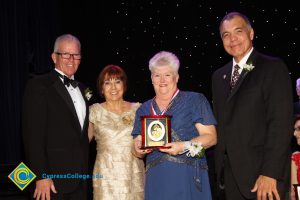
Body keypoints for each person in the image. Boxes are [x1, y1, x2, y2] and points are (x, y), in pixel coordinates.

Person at [212, 11, 293, 200]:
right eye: (226, 35)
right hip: (229, 179)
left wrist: (270, 172)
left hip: (263, 178)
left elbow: (280, 124)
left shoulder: (272, 68)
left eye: (237, 31)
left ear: (251, 33)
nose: (232, 39)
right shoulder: (218, 76)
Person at [132, 51, 217, 200]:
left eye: (168, 74)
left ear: (177, 77)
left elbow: (211, 138)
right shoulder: (143, 109)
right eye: (157, 75)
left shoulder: (195, 100)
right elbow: (137, 151)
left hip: (187, 175)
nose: (162, 80)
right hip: (156, 179)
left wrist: (183, 146)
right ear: (152, 78)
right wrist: (138, 148)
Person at [22, 34, 90, 200]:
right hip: (51, 183)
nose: (71, 59)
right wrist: (41, 176)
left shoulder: (84, 89)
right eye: (65, 54)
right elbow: (32, 136)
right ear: (54, 57)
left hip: (80, 181)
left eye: (76, 55)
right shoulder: (38, 85)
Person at [88, 65, 144, 200]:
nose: (113, 88)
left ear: (124, 85)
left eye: (117, 82)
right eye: (107, 83)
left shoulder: (139, 109)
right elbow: (80, 144)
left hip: (134, 175)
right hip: (105, 178)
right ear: (101, 88)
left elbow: (148, 141)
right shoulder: (93, 111)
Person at [291, 115, 300, 200]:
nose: (294, 134)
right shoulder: (296, 157)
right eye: (294, 129)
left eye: (299, 129)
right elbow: (295, 195)